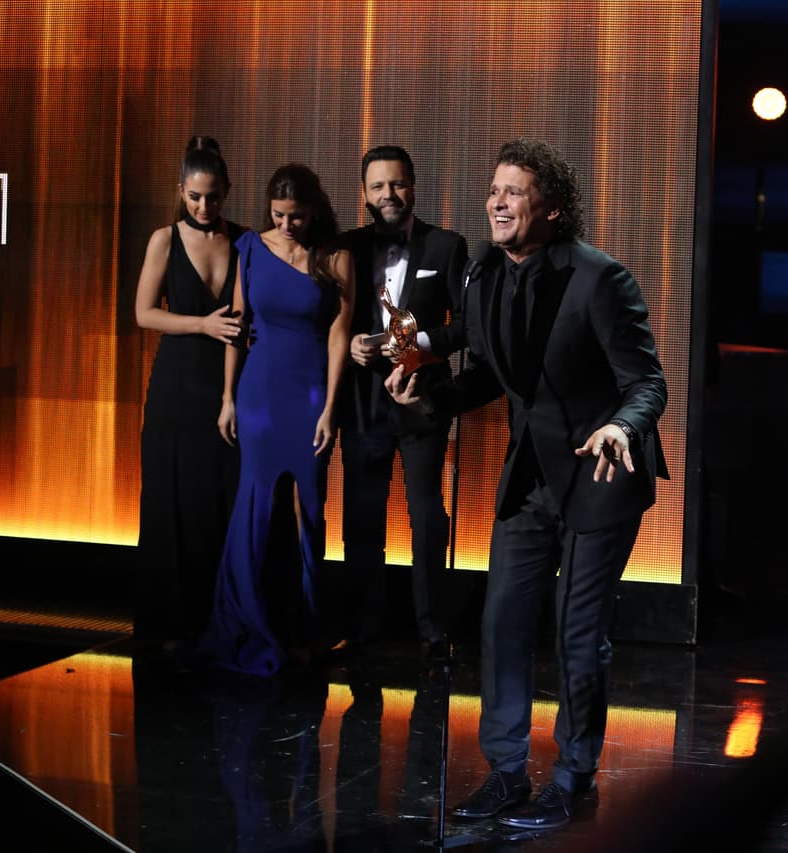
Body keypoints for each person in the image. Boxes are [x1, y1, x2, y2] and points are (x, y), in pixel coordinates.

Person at [386, 138, 668, 831]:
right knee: (503, 616)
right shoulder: (484, 274)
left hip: (601, 472)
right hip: (532, 475)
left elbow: (646, 381)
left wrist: (623, 427)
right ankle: (507, 771)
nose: (497, 201)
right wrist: (426, 393)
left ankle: (573, 775)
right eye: (494, 190)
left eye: (514, 191)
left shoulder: (599, 278)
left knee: (578, 632)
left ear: (551, 208)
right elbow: (486, 372)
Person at [199, 163, 354, 676]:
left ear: (315, 211)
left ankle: (307, 629)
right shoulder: (249, 249)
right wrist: (227, 397)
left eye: (298, 216)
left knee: (309, 510)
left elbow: (339, 335)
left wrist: (331, 407)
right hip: (259, 392)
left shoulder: (335, 257)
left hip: (311, 391)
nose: (288, 225)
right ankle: (250, 621)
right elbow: (237, 328)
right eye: (280, 215)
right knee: (255, 507)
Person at [337, 145, 469, 660]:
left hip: (421, 403)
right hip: (363, 403)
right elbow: (329, 317)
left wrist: (416, 346)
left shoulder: (447, 246)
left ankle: (432, 631)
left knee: (427, 518)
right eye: (377, 186)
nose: (388, 195)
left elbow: (465, 328)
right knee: (362, 519)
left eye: (397, 184)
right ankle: (363, 628)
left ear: (413, 186)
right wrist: (348, 343)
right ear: (364, 193)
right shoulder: (346, 246)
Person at [134, 135, 244, 654]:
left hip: (225, 387)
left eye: (214, 196)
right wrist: (202, 323)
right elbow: (144, 313)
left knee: (219, 503)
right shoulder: (164, 239)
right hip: (176, 384)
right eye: (196, 196)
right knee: (171, 501)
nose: (204, 206)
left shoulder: (243, 242)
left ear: (227, 191)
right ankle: (170, 627)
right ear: (181, 191)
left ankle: (215, 623)